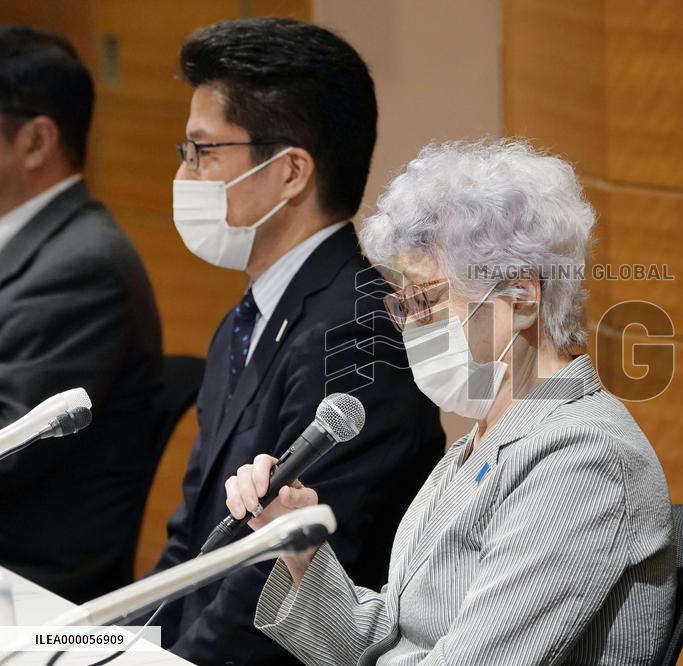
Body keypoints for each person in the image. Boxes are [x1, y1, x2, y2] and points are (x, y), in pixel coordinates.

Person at [223, 138, 676, 665]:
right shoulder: (476, 445)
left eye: (427, 298)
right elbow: (389, 637)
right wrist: (299, 547)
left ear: (523, 297)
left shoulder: (585, 460)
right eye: (404, 303)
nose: (411, 323)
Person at [152, 18, 445, 664]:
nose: (186, 173)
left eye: (203, 152)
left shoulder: (358, 331)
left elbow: (281, 581)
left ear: (290, 173)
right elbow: (192, 547)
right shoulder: (248, 316)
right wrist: (87, 645)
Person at [0, 25, 163, 603]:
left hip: (33, 584)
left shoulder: (83, 267)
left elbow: (9, 444)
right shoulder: (31, 242)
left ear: (36, 142)